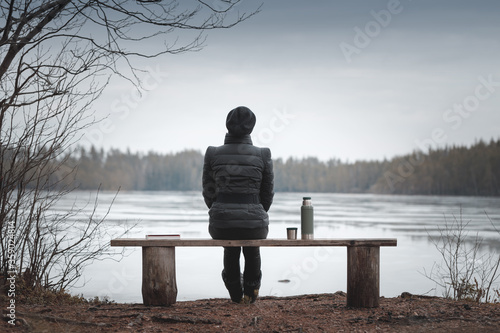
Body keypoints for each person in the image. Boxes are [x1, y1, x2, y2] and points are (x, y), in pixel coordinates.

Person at [202, 106, 274, 304]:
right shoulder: (263, 154)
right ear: (251, 128)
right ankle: (250, 293)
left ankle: (235, 293)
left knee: (230, 247)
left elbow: (208, 192)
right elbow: (267, 194)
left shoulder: (212, 153)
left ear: (227, 125)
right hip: (255, 224)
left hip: (221, 224)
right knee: (252, 248)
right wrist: (255, 212)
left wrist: (220, 209)